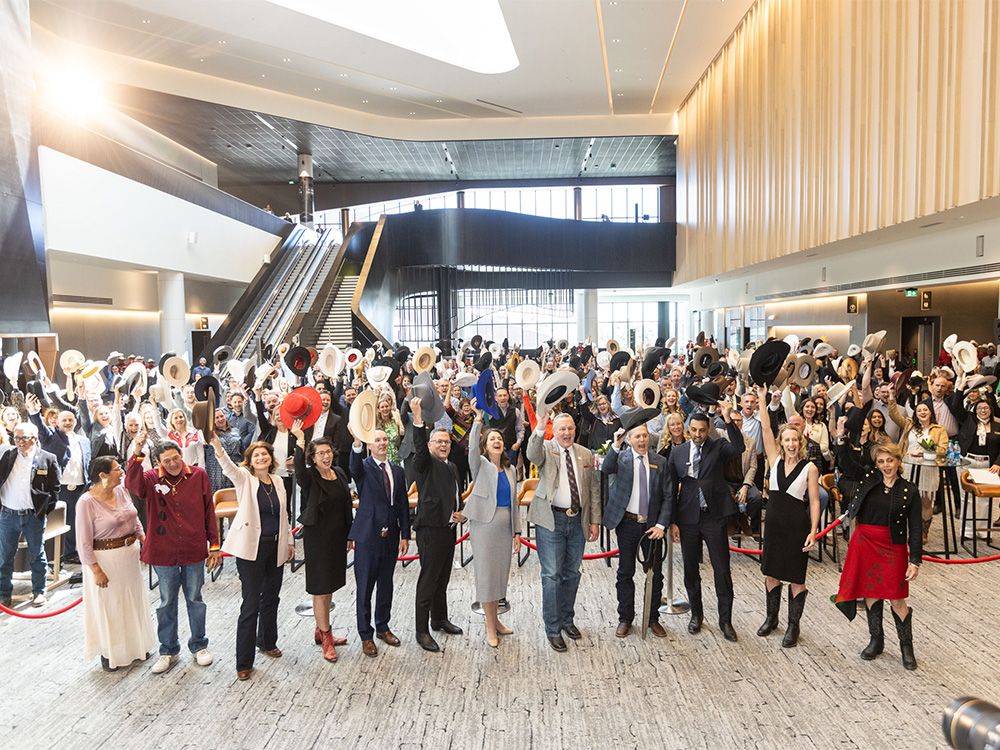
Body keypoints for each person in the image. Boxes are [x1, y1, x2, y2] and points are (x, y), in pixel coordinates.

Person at [125, 434, 220, 675]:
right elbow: (132, 486)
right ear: (158, 462)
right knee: (166, 601)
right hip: (163, 550)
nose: (173, 463)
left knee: (195, 598)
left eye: (176, 458)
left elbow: (209, 510)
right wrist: (136, 453)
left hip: (193, 547)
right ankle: (168, 649)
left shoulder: (198, 475)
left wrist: (215, 544)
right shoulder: (150, 478)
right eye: (167, 461)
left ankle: (199, 645)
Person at [209, 435, 293, 681]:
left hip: (274, 546)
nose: (261, 457)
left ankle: (267, 642)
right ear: (250, 461)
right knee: (250, 604)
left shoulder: (278, 481)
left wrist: (288, 541)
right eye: (256, 455)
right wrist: (217, 446)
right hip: (251, 550)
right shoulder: (245, 479)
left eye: (264, 454)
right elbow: (228, 467)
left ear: (270, 458)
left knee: (271, 598)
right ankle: (243, 661)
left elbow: (284, 514)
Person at [835, 443, 922, 670]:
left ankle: (906, 647)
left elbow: (915, 527)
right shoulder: (868, 481)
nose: (886, 465)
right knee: (871, 592)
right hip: (865, 542)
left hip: (893, 546)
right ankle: (876, 640)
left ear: (898, 461)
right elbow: (846, 463)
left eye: (890, 460)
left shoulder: (909, 490)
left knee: (897, 597)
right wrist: (842, 439)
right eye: (881, 461)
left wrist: (915, 561)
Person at [663, 408, 744, 641]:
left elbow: (739, 447)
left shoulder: (718, 447)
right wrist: (672, 522)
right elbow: (670, 489)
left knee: (722, 570)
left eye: (702, 430)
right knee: (690, 570)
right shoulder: (677, 453)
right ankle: (696, 615)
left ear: (708, 430)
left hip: (714, 517)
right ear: (689, 430)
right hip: (687, 518)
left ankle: (725, 620)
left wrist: (728, 420)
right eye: (694, 430)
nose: (698, 434)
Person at [526, 411, 601, 652]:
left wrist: (594, 521)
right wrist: (539, 428)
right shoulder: (546, 448)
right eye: (562, 429)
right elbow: (531, 454)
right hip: (551, 521)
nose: (566, 433)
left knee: (572, 573)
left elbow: (593, 490)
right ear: (554, 431)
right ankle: (553, 628)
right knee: (551, 576)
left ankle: (567, 619)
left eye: (569, 428)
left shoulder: (585, 454)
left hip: (578, 522)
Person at [75, 456, 156, 671]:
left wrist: (143, 538)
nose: (121, 472)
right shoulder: (86, 502)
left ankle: (136, 646)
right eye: (117, 469)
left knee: (132, 601)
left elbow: (134, 517)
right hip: (104, 559)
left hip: (129, 556)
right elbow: (83, 541)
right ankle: (109, 652)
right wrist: (95, 570)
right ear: (103, 475)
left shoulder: (121, 490)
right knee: (110, 606)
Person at [755, 385, 820, 648]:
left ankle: (794, 625)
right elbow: (766, 429)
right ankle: (772, 618)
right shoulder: (775, 460)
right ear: (782, 443)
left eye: (795, 440)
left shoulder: (810, 468)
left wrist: (814, 530)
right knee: (771, 575)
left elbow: (814, 501)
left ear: (800, 441)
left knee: (796, 579)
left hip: (796, 528)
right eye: (787, 440)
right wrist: (762, 400)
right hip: (773, 526)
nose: (791, 444)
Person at [601, 420, 669, 639]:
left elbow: (668, 496)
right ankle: (625, 618)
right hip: (627, 524)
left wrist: (661, 525)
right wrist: (615, 444)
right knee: (625, 572)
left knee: (655, 574)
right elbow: (606, 468)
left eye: (644, 436)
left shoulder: (660, 461)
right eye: (637, 436)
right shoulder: (621, 458)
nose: (642, 440)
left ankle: (652, 618)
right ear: (629, 440)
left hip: (652, 527)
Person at [290, 424, 353, 662]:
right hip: (318, 539)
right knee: (320, 587)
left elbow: (346, 505)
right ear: (313, 458)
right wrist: (299, 440)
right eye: (320, 454)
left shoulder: (339, 472)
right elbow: (298, 468)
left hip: (337, 537)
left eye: (328, 452)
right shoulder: (310, 477)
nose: (326, 456)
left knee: (331, 586)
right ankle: (326, 636)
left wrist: (349, 534)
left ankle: (321, 629)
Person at [409, 396, 464, 653]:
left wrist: (459, 512)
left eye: (446, 442)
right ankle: (422, 631)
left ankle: (439, 618)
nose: (444, 445)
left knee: (443, 578)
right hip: (430, 530)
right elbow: (419, 448)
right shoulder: (426, 463)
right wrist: (418, 419)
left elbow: (453, 497)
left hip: (449, 529)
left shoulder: (452, 466)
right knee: (428, 580)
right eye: (439, 442)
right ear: (431, 445)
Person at [349, 427, 411, 657]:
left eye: (385, 439)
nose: (382, 443)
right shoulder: (363, 467)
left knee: (386, 584)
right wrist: (356, 444)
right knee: (365, 587)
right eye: (377, 440)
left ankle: (382, 627)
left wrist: (405, 533)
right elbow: (353, 467)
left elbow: (402, 503)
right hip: (367, 537)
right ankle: (366, 634)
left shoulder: (397, 470)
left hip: (391, 536)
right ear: (369, 445)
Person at [466, 409, 521, 647]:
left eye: (499, 438)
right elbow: (470, 449)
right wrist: (478, 421)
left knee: (500, 576)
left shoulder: (511, 470)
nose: (497, 441)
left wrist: (517, 532)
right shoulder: (480, 466)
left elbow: (516, 504)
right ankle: (489, 625)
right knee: (487, 576)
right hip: (484, 528)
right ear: (486, 446)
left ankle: (496, 620)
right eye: (492, 439)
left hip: (505, 528)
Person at [0, 422, 60, 608]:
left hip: (33, 516)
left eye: (24, 438)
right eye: (16, 438)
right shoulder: (7, 456)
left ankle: (39, 592)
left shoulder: (47, 459)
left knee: (37, 555)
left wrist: (43, 511)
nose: (20, 442)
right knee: (5, 557)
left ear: (34, 438)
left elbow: (55, 489)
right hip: (8, 515)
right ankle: (4, 595)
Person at [26, 393, 90, 563]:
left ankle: (73, 553)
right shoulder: (51, 436)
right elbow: (39, 426)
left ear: (75, 422)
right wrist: (34, 412)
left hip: (81, 488)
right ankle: (60, 556)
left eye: (71, 420)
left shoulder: (84, 441)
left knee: (78, 522)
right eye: (64, 420)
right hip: (61, 489)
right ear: (57, 423)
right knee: (59, 524)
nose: (68, 423)